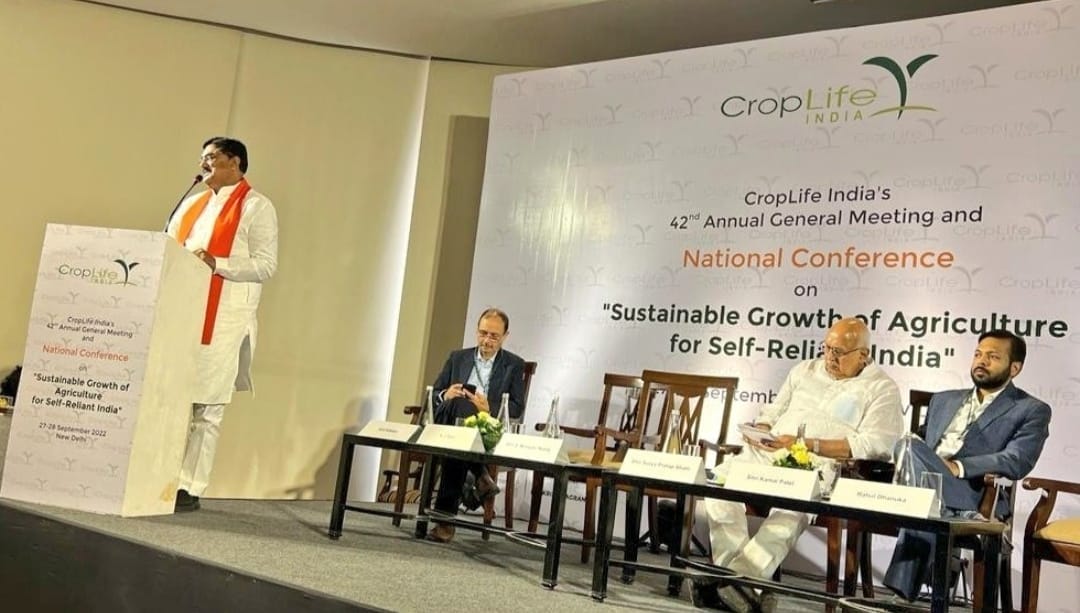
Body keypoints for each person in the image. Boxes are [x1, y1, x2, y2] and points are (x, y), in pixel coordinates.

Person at [693, 317, 904, 612]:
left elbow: (876, 444)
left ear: (863, 354)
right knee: (718, 488)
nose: (829, 357)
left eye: (838, 352)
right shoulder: (804, 370)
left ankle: (739, 582)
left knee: (792, 508)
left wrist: (807, 444)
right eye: (826, 348)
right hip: (769, 454)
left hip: (818, 466)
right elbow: (772, 412)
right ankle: (741, 584)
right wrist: (761, 431)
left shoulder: (882, 388)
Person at [883, 330, 1051, 601]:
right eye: (978, 354)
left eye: (993, 357)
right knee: (909, 446)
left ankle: (901, 593)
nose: (981, 361)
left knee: (913, 461)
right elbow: (921, 446)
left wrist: (958, 467)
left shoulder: (1031, 409)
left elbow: (1017, 460)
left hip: (976, 494)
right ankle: (940, 509)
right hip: (927, 484)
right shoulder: (943, 399)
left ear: (1015, 368)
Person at [165, 137, 278, 512]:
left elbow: (266, 265)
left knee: (207, 406)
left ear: (235, 162)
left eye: (211, 158)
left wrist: (218, 264)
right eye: (202, 158)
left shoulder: (256, 207)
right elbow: (169, 249)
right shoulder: (192, 204)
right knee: (171, 399)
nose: (203, 164)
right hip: (183, 313)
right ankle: (161, 475)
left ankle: (189, 486)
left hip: (224, 319)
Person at [426, 308, 526, 543]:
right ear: (476, 331)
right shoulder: (457, 357)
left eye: (494, 336)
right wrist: (445, 395)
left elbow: (517, 408)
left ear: (505, 336)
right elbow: (433, 393)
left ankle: (445, 521)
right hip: (449, 425)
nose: (487, 340)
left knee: (457, 441)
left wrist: (488, 408)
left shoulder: (513, 364)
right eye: (483, 333)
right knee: (457, 405)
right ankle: (480, 475)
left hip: (483, 430)